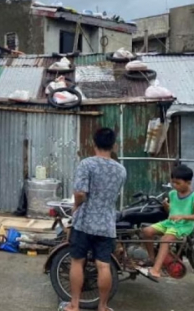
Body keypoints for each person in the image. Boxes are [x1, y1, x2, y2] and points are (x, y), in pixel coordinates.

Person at [63, 128, 126, 311]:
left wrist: (76, 207)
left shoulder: (87, 164)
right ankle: (103, 306)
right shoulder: (120, 170)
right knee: (103, 265)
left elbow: (80, 193)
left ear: (94, 143)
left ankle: (74, 304)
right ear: (114, 145)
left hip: (84, 221)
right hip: (106, 224)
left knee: (77, 261)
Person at [142, 164, 194, 280]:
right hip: (170, 223)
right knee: (146, 231)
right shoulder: (172, 194)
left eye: (178, 183)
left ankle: (156, 270)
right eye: (173, 182)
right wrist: (166, 206)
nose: (175, 185)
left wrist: (183, 216)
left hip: (184, 226)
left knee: (165, 239)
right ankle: (152, 258)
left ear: (188, 182)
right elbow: (173, 211)